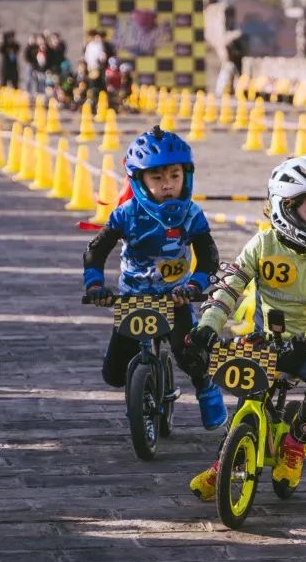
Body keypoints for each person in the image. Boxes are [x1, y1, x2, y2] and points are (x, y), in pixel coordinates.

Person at [185, 155, 306, 501]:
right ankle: (223, 464)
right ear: (285, 208)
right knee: (245, 396)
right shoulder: (262, 245)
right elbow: (230, 287)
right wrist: (207, 325)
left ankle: (294, 446)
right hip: (265, 343)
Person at [82, 126, 226, 430]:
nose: (167, 185)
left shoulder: (192, 214)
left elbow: (209, 256)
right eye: (157, 178)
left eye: (174, 176)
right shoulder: (125, 214)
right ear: (139, 180)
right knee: (113, 373)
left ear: (186, 176)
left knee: (191, 355)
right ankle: (140, 386)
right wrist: (95, 285)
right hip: (132, 298)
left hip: (176, 298)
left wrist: (195, 285)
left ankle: (207, 389)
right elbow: (96, 251)